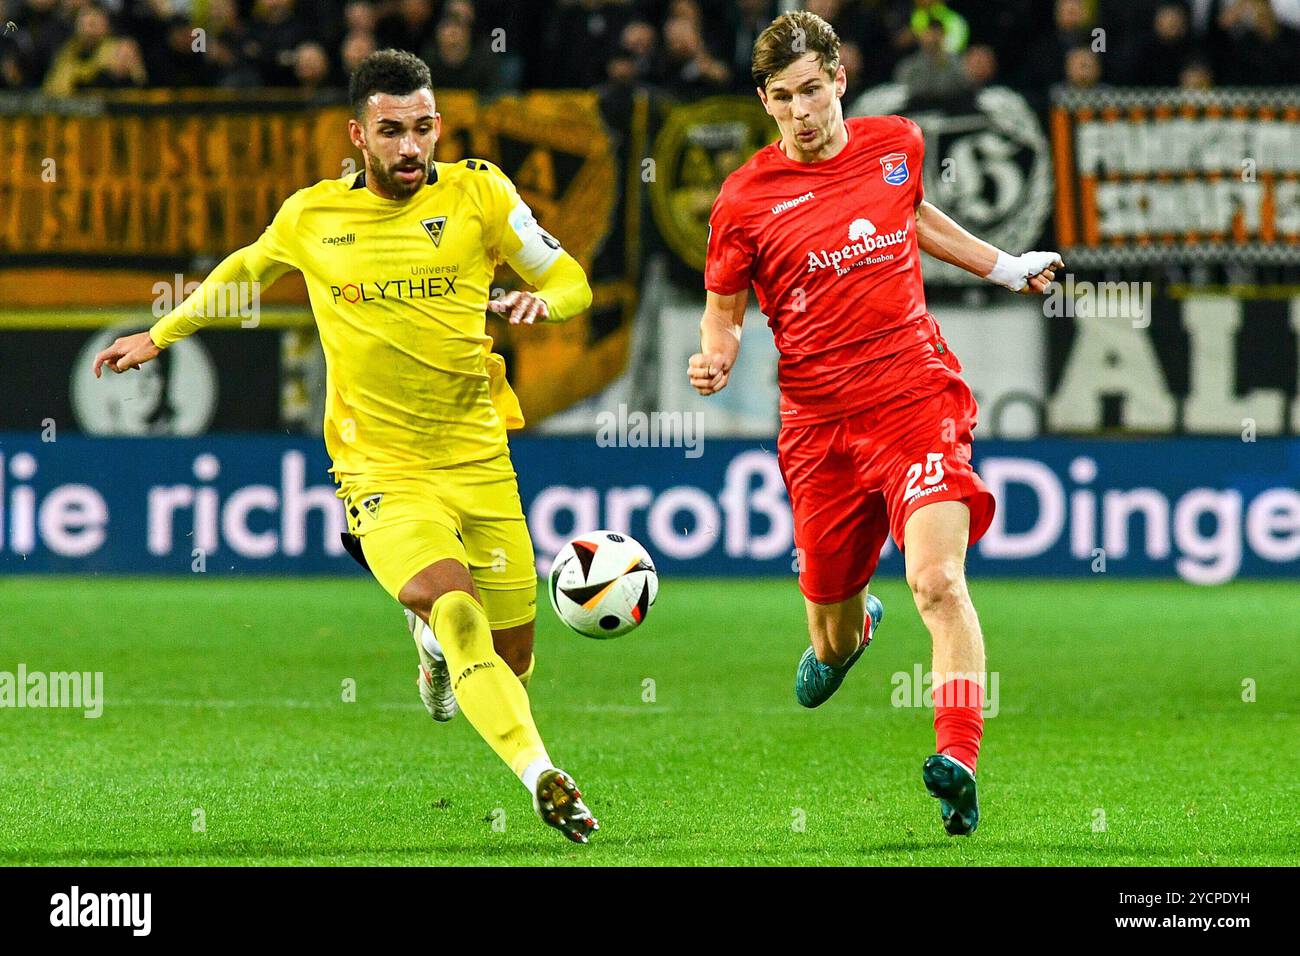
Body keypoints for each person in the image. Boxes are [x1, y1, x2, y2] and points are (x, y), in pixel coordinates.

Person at [92, 49, 599, 845]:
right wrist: (159, 335)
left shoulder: (481, 193)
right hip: (379, 469)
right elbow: (243, 275)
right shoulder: (313, 217)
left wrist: (546, 303)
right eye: (392, 131)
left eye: (423, 128)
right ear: (357, 134)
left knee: (511, 663)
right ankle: (543, 774)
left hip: (479, 460)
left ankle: (431, 655)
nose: (411, 147)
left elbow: (573, 278)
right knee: (455, 602)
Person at [690, 11, 1062, 837]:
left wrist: (1005, 266)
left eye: (814, 90)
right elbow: (723, 311)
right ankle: (847, 643)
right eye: (784, 98)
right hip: (818, 427)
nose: (803, 112)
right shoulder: (744, 198)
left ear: (840, 80)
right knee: (827, 635)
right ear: (765, 100)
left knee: (937, 580)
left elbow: (913, 215)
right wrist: (715, 355)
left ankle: (957, 760)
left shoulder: (895, 143)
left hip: (913, 396)